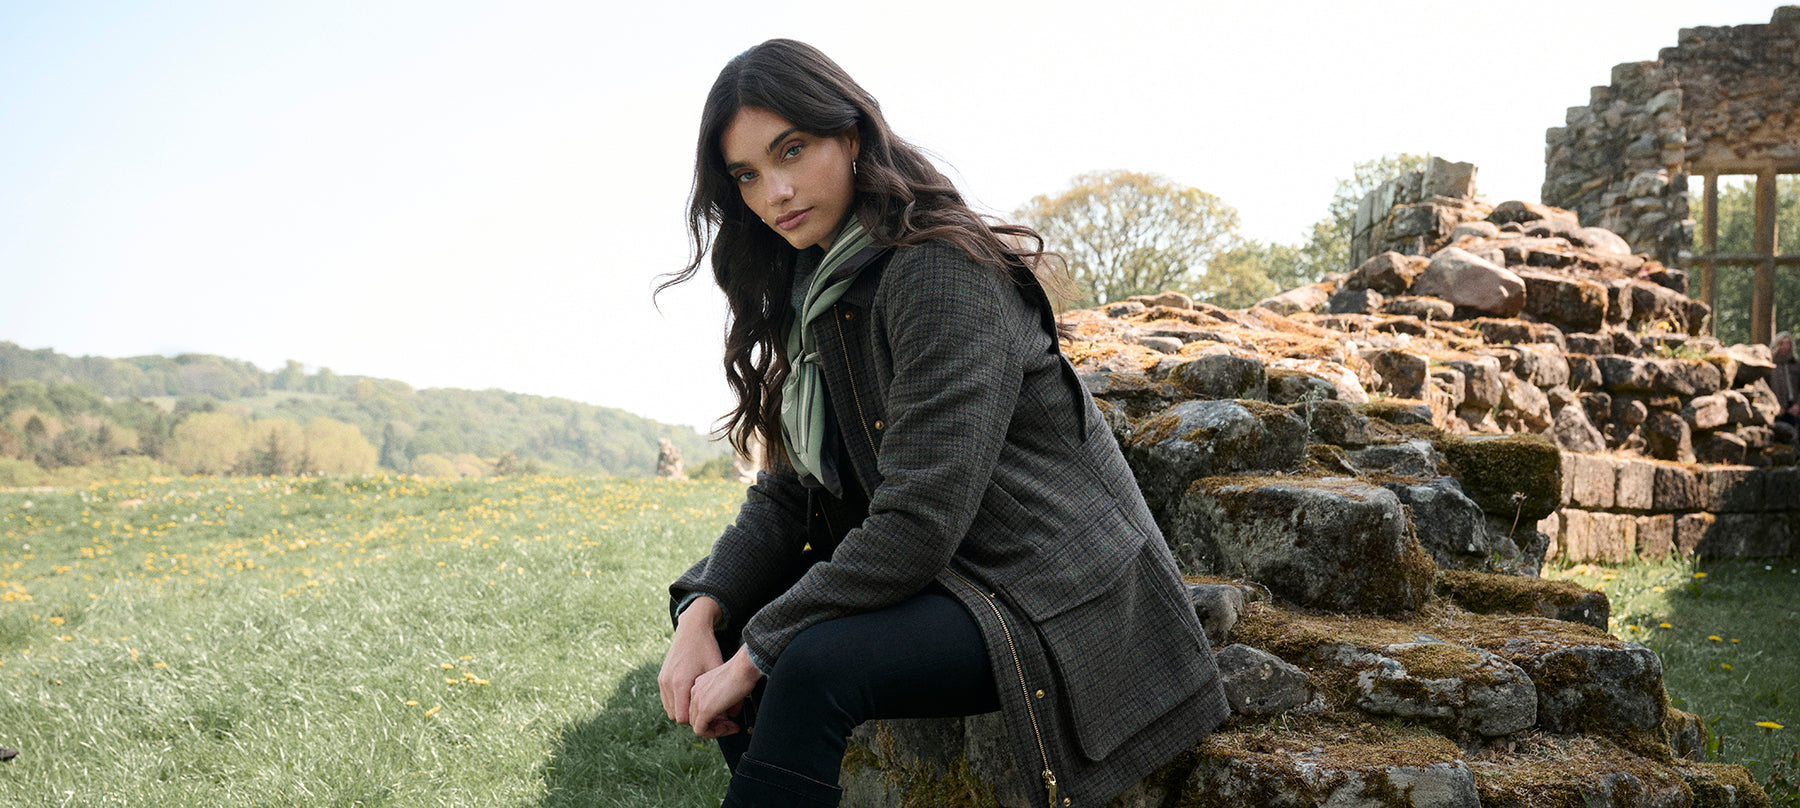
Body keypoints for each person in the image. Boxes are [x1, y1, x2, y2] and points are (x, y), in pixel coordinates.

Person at [656, 39, 1227, 808]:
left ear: (852, 136)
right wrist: (705, 611)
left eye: (792, 150)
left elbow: (918, 521)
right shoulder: (817, 292)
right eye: (748, 175)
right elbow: (790, 493)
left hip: (1050, 588)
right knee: (744, 626)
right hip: (958, 570)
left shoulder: (938, 272)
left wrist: (758, 649)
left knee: (808, 662)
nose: (775, 192)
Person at [1773, 331, 1798, 433]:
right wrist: (1776, 405)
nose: (1784, 346)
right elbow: (1765, 387)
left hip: (1795, 406)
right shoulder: (1771, 364)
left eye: (1788, 343)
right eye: (1781, 343)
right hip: (1777, 407)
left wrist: (1798, 406)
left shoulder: (1796, 363)